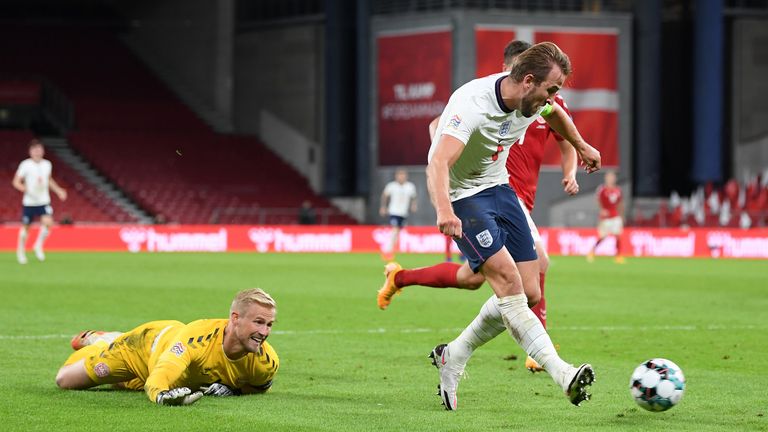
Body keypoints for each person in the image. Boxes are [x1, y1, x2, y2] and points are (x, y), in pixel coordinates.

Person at [404, 41, 599, 410]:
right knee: (507, 282)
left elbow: (556, 114)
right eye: (551, 89)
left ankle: (454, 354)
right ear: (528, 81)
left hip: (499, 187)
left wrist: (582, 145)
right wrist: (445, 211)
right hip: (463, 196)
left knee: (530, 292)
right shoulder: (472, 105)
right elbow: (438, 163)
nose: (553, 98)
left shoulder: (534, 101)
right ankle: (563, 374)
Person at [55, 288, 279, 406]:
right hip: (143, 349)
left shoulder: (266, 362)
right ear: (235, 318)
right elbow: (160, 377)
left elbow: (258, 387)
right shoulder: (197, 339)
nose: (264, 332)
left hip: (165, 359)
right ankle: (101, 341)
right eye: (258, 322)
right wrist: (162, 396)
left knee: (123, 385)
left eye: (269, 324)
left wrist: (235, 391)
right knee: (65, 381)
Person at [12, 138, 67, 264]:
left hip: (43, 200)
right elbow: (16, 182)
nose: (37, 151)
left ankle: (38, 245)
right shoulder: (25, 165)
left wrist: (59, 190)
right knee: (26, 228)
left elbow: (49, 180)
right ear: (30, 151)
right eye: (35, 149)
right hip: (29, 202)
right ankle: (20, 251)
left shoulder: (47, 164)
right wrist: (25, 188)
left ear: (42, 151)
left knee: (48, 222)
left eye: (39, 149)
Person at [378, 168, 417, 261]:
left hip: (403, 213)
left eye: (403, 175)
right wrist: (383, 207)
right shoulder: (391, 186)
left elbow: (414, 197)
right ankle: (387, 250)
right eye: (399, 175)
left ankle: (390, 250)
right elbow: (384, 195)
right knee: (395, 229)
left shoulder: (410, 186)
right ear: (396, 176)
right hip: (394, 211)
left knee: (398, 232)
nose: (401, 177)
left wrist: (414, 205)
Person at [587, 170, 625, 263]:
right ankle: (592, 251)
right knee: (603, 237)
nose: (611, 179)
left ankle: (618, 256)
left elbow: (620, 203)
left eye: (612, 177)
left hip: (615, 215)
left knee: (618, 236)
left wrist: (621, 215)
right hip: (606, 217)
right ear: (606, 178)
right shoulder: (602, 189)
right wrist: (602, 210)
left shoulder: (618, 190)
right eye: (609, 177)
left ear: (615, 179)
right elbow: (598, 200)